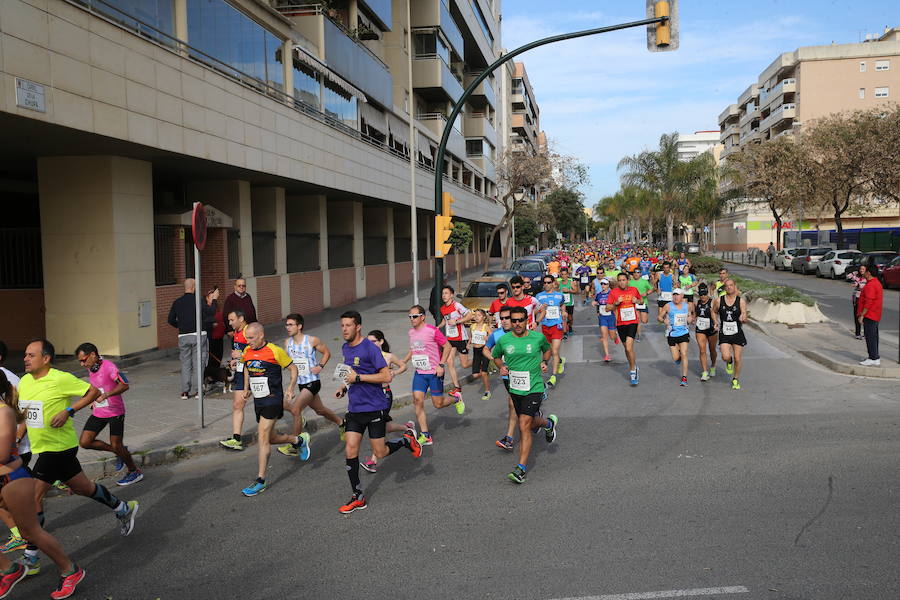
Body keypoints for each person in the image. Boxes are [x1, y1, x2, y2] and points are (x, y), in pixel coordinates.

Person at [17, 339, 139, 578]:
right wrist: (17, 437)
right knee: (83, 487)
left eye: (31, 355)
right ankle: (123, 507)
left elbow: (92, 391)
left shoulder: (60, 378)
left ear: (46, 358)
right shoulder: (24, 381)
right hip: (45, 448)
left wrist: (69, 411)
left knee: (33, 498)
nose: (25, 359)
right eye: (25, 354)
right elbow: (26, 414)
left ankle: (31, 557)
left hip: (59, 448)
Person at [0, 371, 86, 600]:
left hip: (12, 480)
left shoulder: (4, 412)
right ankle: (9, 570)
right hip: (5, 476)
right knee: (29, 531)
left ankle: (70, 571)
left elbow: (1, 454)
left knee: (31, 531)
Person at [335, 311, 422, 513]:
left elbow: (386, 376)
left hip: (374, 407)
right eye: (342, 325)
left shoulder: (370, 349)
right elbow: (348, 372)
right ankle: (358, 496)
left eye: (348, 325)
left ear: (358, 327)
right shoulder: (345, 347)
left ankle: (405, 441)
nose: (344, 329)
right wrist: (344, 386)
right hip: (355, 408)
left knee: (380, 452)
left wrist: (359, 379)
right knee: (351, 449)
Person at [491, 306, 558, 484]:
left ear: (527, 320)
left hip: (534, 387)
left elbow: (548, 350)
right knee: (526, 422)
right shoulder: (504, 340)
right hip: (515, 388)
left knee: (523, 424)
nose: (517, 323)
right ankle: (548, 423)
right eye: (514, 321)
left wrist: (545, 361)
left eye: (521, 320)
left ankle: (520, 469)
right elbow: (496, 356)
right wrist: (501, 366)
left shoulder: (537, 337)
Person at [237, 323, 300, 496]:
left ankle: (260, 480)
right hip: (258, 400)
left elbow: (293, 368)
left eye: (251, 338)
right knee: (270, 437)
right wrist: (246, 388)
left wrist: (290, 388)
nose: (248, 342)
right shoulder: (247, 352)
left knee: (262, 437)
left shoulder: (274, 350)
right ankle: (297, 441)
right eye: (246, 338)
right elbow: (247, 369)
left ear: (261, 335)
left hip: (273, 399)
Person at [74, 343, 142, 486]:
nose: (82, 364)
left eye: (84, 359)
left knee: (116, 444)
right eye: (80, 361)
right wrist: (93, 400)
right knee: (85, 442)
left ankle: (134, 471)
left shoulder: (109, 366)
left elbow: (125, 385)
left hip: (115, 411)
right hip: (99, 411)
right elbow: (97, 387)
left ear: (93, 354)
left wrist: (106, 395)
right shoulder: (91, 367)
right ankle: (121, 452)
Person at [276, 314, 343, 458]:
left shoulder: (312, 340)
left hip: (313, 382)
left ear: (299, 326)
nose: (287, 327)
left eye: (291, 324)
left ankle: (295, 444)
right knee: (320, 410)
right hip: (300, 383)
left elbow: (326, 353)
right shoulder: (287, 343)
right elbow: (287, 362)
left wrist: (320, 366)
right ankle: (342, 423)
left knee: (296, 409)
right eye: (287, 325)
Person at [402, 305, 458, 447]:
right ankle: (425, 434)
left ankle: (456, 398)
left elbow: (447, 346)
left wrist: (441, 365)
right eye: (410, 316)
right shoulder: (410, 333)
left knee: (438, 404)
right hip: (420, 372)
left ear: (422, 317)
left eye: (414, 316)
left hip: (434, 372)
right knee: (417, 400)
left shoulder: (432, 331)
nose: (412, 319)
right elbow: (413, 349)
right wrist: (403, 361)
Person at [361, 331, 415, 474]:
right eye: (368, 342)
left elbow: (403, 366)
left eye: (373, 341)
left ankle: (373, 461)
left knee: (379, 428)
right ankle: (407, 427)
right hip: (371, 396)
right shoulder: (367, 357)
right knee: (384, 427)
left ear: (381, 342)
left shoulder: (388, 356)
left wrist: (394, 373)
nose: (370, 344)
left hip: (384, 395)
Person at [167, 278, 215, 399]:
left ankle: (185, 391)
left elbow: (170, 320)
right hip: (199, 335)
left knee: (185, 363)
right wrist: (213, 301)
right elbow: (210, 313)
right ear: (194, 287)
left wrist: (180, 326)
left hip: (184, 336)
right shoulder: (198, 301)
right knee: (198, 363)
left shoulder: (177, 302)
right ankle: (198, 391)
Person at [484, 307, 517, 451]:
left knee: (515, 403)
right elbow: (486, 348)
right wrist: (496, 360)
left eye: (507, 318)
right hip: (507, 375)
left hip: (524, 374)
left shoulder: (520, 332)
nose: (504, 321)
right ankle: (509, 438)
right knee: (513, 403)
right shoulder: (496, 334)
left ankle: (540, 420)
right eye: (501, 318)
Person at [220, 310, 252, 451]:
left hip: (255, 374)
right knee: (237, 405)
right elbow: (240, 355)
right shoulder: (236, 334)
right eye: (229, 320)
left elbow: (260, 350)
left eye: (232, 320)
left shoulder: (249, 331)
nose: (230, 323)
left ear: (241, 318)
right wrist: (235, 360)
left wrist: (242, 354)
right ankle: (236, 439)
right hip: (240, 373)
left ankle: (295, 413)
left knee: (271, 404)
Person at [606, 273, 643, 386]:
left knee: (628, 346)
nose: (622, 282)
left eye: (623, 280)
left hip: (632, 322)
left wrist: (636, 301)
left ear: (628, 280)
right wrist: (616, 304)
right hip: (620, 323)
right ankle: (634, 366)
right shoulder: (614, 292)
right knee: (627, 349)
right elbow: (607, 308)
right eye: (620, 280)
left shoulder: (634, 290)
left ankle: (632, 371)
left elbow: (641, 301)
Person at [439, 286, 473, 401]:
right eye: (443, 293)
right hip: (450, 338)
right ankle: (457, 388)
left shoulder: (457, 305)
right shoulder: (443, 308)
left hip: (461, 337)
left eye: (446, 293)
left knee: (464, 364)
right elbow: (445, 319)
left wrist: (458, 321)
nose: (444, 295)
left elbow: (469, 315)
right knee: (449, 362)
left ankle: (480, 362)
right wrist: (438, 327)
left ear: (452, 295)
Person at [712, 280, 748, 390]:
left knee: (738, 358)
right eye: (727, 286)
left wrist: (744, 318)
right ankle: (729, 361)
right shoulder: (719, 300)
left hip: (737, 332)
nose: (729, 287)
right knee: (725, 356)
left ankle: (735, 379)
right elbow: (713, 311)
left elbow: (744, 315)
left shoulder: (740, 301)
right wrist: (715, 322)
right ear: (724, 288)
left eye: (731, 285)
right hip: (725, 333)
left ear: (735, 287)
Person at [535, 276, 566, 387]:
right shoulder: (539, 296)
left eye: (549, 282)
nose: (547, 284)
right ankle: (560, 361)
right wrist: (540, 308)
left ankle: (553, 376)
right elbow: (534, 311)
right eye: (545, 283)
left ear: (553, 283)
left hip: (557, 325)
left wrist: (563, 312)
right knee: (550, 350)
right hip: (545, 326)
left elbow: (562, 304)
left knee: (554, 350)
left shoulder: (559, 295)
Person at [658, 289, 693, 386]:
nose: (676, 297)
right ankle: (679, 358)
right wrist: (663, 320)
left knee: (684, 353)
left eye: (678, 295)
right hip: (672, 334)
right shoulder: (668, 306)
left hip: (684, 332)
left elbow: (690, 316)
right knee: (676, 358)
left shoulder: (687, 306)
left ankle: (684, 377)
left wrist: (690, 318)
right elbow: (659, 317)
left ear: (682, 296)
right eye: (674, 295)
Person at [857, 266, 883, 367]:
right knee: (874, 336)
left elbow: (868, 302)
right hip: (875, 314)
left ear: (869, 273)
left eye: (866, 272)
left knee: (870, 337)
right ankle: (875, 356)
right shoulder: (876, 283)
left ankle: (873, 357)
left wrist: (862, 315)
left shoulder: (871, 285)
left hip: (870, 314)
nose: (864, 274)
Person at [694, 283, 718, 381]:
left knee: (712, 349)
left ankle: (712, 365)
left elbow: (715, 313)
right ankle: (704, 372)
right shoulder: (697, 302)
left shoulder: (713, 302)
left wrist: (716, 323)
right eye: (701, 295)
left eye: (704, 294)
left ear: (707, 293)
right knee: (702, 350)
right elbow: (695, 313)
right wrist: (692, 318)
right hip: (700, 329)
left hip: (711, 329)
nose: (703, 296)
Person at [592, 278, 619, 362]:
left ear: (608, 285)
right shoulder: (599, 294)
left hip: (611, 317)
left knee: (612, 336)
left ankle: (615, 337)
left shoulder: (612, 293)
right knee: (604, 336)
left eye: (605, 284)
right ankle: (607, 355)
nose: (603, 285)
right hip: (602, 317)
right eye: (602, 284)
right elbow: (597, 302)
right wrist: (595, 303)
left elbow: (616, 305)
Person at [469, 310, 493, 401]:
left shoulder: (485, 327)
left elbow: (492, 338)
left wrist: (487, 338)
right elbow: (471, 337)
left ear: (483, 317)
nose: (476, 317)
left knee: (483, 372)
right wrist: (468, 343)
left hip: (484, 350)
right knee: (475, 375)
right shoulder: (472, 326)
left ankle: (487, 391)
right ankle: (486, 373)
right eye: (475, 315)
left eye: (479, 315)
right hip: (476, 350)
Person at [204, 286, 226, 385]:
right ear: (207, 298)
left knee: (219, 357)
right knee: (211, 360)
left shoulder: (218, 309)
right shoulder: (206, 309)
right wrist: (211, 325)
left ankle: (216, 378)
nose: (213, 300)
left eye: (214, 297)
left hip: (219, 337)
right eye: (211, 297)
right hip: (211, 337)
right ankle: (209, 378)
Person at [629, 269, 653, 342]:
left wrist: (647, 293)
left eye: (638, 272)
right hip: (633, 303)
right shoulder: (630, 282)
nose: (636, 274)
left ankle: (638, 333)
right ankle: (639, 335)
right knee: (637, 320)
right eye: (635, 272)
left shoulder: (644, 281)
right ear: (633, 274)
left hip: (643, 303)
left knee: (644, 320)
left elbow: (651, 289)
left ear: (640, 274)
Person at [847, 265, 868, 340]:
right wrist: (853, 273)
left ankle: (866, 333)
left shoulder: (867, 277)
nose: (861, 270)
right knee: (857, 315)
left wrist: (858, 284)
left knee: (864, 316)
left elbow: (865, 286)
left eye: (863, 269)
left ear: (866, 270)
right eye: (860, 269)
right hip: (856, 298)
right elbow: (848, 276)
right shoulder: (857, 276)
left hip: (864, 298)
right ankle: (857, 333)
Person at [557, 267, 579, 337]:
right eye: (562, 274)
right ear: (560, 275)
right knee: (563, 317)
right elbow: (555, 291)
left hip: (569, 303)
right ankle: (564, 332)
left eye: (565, 274)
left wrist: (569, 291)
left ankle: (570, 327)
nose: (564, 276)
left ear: (567, 275)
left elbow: (576, 291)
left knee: (570, 318)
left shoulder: (571, 283)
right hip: (562, 304)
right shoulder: (558, 283)